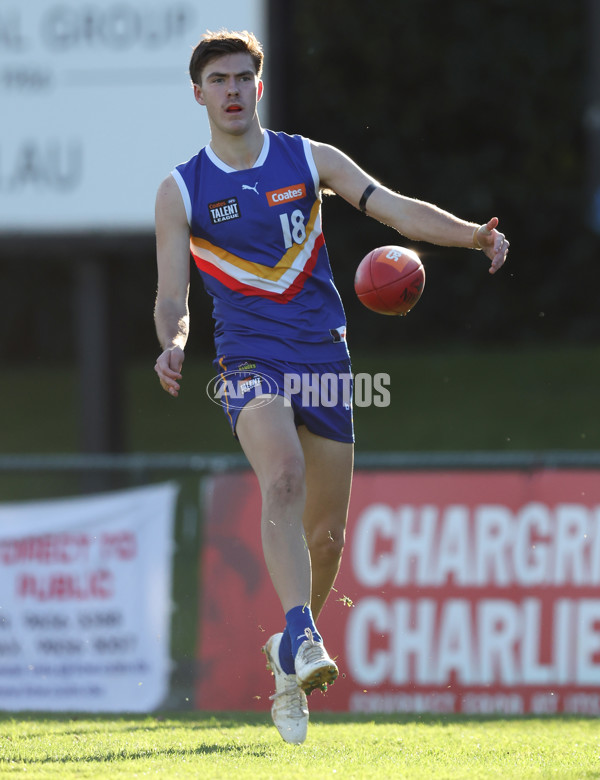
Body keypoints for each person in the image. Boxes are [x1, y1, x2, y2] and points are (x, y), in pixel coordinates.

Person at [153, 30, 509, 744]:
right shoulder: (182, 188)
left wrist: (473, 236)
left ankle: (291, 662)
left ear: (259, 86)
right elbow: (171, 294)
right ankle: (299, 634)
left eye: (242, 77)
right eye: (218, 79)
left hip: (324, 355)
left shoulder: (309, 158)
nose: (231, 89)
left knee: (327, 538)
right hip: (249, 358)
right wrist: (176, 341)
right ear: (199, 94)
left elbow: (396, 210)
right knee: (280, 474)